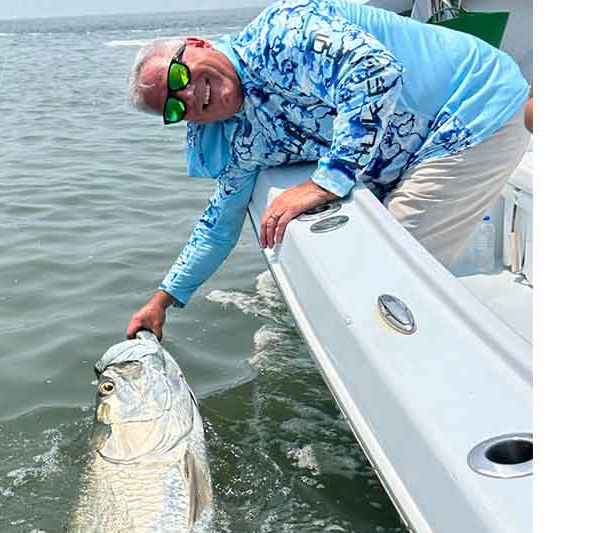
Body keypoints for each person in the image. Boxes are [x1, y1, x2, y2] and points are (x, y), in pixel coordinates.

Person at [125, 0, 532, 340]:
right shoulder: (243, 134)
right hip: (416, 155)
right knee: (368, 278)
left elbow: (375, 72)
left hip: (472, 112)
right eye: (174, 107)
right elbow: (219, 222)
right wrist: (163, 299)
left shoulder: (281, 33)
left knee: (388, 277)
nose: (191, 95)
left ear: (197, 44)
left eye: (180, 76)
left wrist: (327, 181)